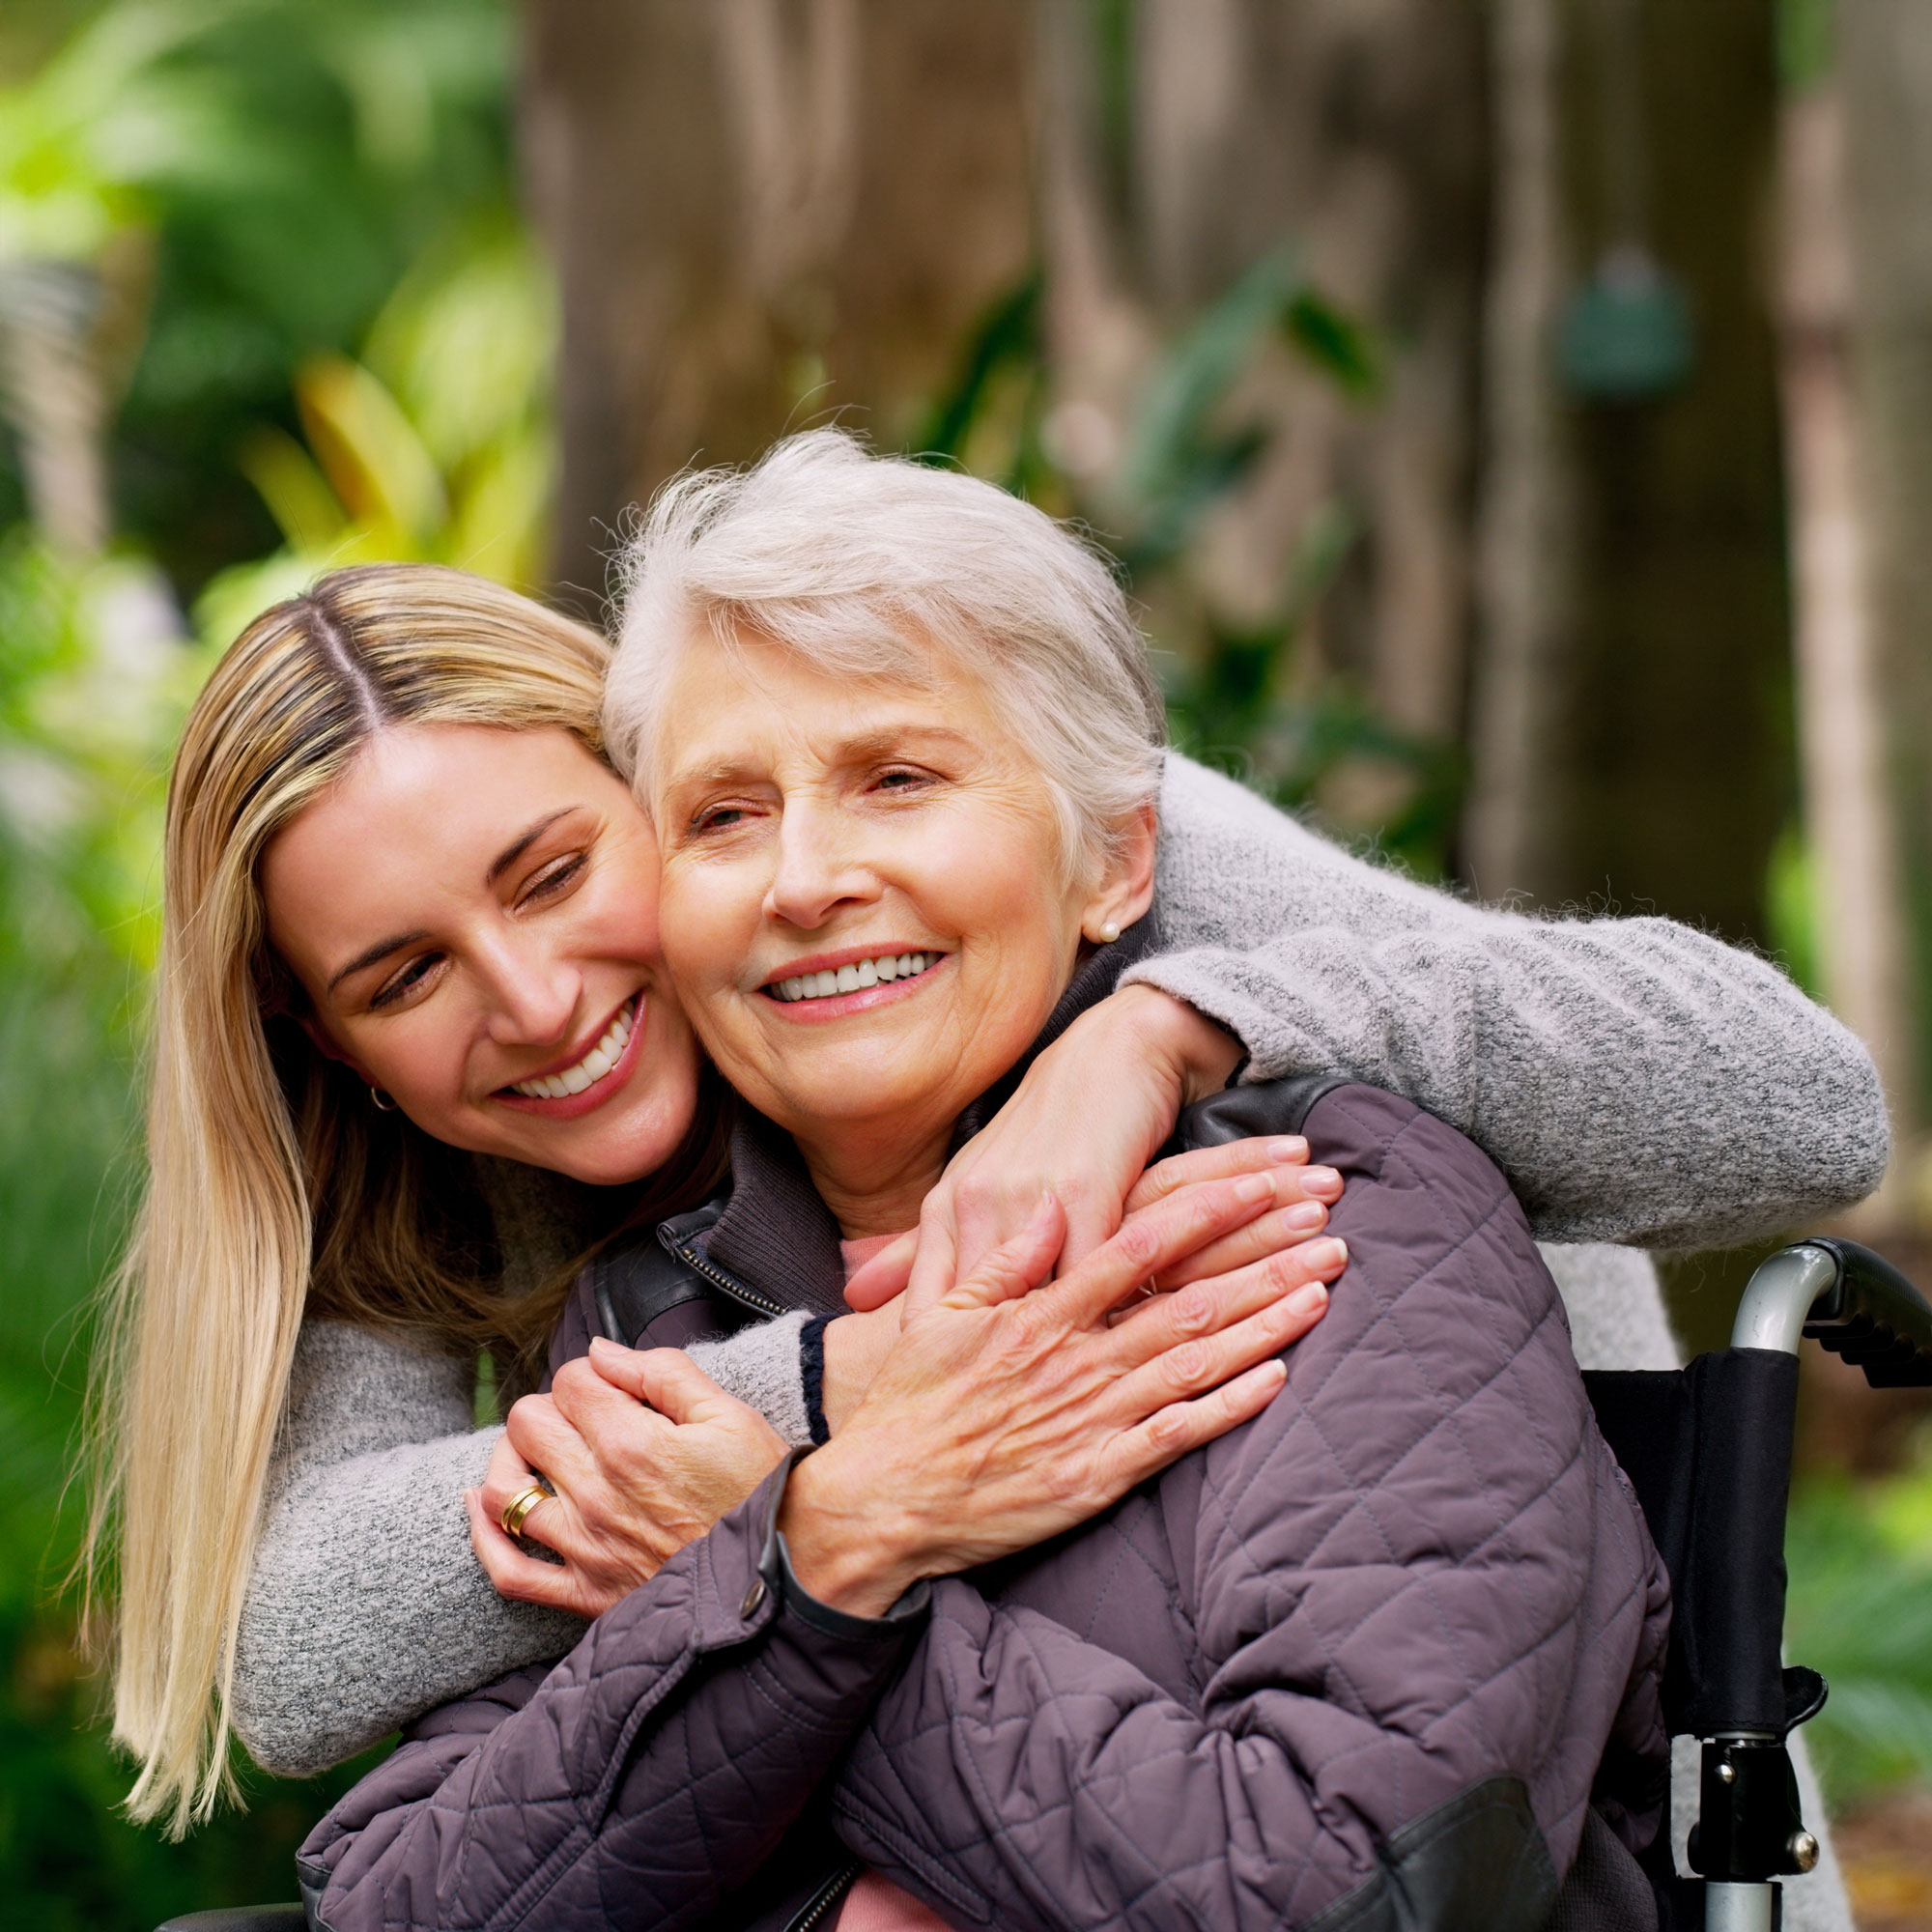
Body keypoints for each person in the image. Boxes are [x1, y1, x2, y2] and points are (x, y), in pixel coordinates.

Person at [298, 433, 1678, 1930]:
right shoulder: (660, 1328)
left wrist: (798, 1568)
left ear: (1115, 864)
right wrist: (824, 1554)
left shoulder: (1319, 1218)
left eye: (896, 779)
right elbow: (392, 1904)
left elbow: (1351, 1894)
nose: (805, 878)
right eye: (723, 815)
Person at [96, 563, 1338, 1836]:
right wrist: (814, 1414)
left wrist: (1152, 1032)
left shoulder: (1010, 823)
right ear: (335, 1042)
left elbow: (1559, 1014)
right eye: (407, 977)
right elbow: (288, 1647)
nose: (534, 1005)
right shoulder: (417, 1164)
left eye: (553, 876)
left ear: (659, 781)